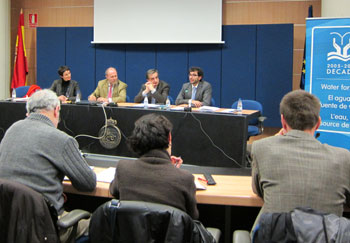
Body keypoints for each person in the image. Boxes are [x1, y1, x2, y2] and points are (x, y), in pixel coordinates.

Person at [0, 89, 96, 242]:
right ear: (57, 110)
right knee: (99, 223)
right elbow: (88, 183)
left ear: (28, 111)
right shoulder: (61, 139)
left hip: (9, 224)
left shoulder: (12, 129)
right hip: (45, 227)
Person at [251, 90, 350, 226]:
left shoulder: (261, 148)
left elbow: (258, 189)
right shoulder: (344, 158)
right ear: (318, 123)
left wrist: (272, 143)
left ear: (283, 122)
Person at [109, 113, 199, 219]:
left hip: (132, 235)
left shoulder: (123, 169)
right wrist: (174, 171)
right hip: (170, 236)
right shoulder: (185, 178)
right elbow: (193, 217)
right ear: (169, 137)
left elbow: (113, 191)